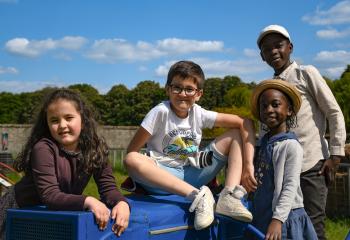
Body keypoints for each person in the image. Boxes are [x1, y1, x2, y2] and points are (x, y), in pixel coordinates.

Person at [123, 60, 256, 230]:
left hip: (191, 173)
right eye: (177, 87)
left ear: (198, 94)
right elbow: (131, 150)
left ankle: (228, 197)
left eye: (189, 89)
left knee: (235, 135)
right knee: (131, 159)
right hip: (163, 178)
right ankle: (198, 197)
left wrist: (248, 166)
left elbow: (245, 123)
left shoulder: (198, 113)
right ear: (168, 89)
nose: (182, 94)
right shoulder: (160, 112)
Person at [0, 89, 130, 239]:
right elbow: (50, 195)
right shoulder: (43, 148)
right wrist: (88, 200)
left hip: (54, 214)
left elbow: (108, 188)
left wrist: (121, 203)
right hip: (18, 212)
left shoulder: (95, 149)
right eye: (54, 120)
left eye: (69, 117)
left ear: (83, 120)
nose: (62, 125)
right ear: (47, 124)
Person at [257, 24, 346, 239]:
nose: (274, 52)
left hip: (310, 165)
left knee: (313, 225)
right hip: (279, 169)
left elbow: (333, 112)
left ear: (290, 47)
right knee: (283, 224)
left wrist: (335, 155)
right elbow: (264, 130)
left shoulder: (305, 74)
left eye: (278, 46)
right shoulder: (268, 87)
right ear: (262, 56)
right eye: (267, 49)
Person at [250, 79, 317, 239]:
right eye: (264, 106)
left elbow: (290, 186)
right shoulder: (262, 143)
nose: (269, 110)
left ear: (289, 111)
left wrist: (277, 220)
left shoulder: (291, 146)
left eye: (275, 104)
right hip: (262, 215)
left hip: (283, 217)